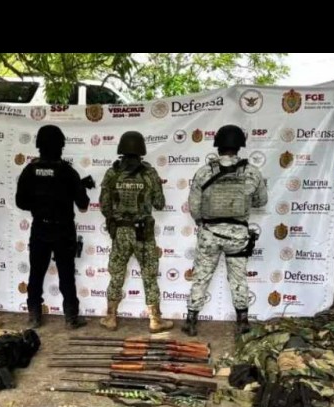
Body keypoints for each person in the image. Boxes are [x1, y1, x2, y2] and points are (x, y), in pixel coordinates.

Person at [182, 124, 268, 337]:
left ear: (218, 146)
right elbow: (261, 201)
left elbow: (194, 207)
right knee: (239, 278)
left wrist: (204, 222)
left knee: (201, 276)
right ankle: (243, 321)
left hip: (210, 234)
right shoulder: (252, 172)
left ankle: (191, 321)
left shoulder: (204, 172)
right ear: (240, 146)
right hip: (238, 235)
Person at [15, 124, 93, 329]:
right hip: (63, 230)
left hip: (40, 228)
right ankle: (71, 318)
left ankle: (34, 316)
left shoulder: (30, 170)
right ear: (61, 145)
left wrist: (39, 205)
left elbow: (20, 202)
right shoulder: (68, 172)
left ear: (38, 145)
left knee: (36, 273)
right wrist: (77, 190)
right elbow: (83, 206)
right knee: (66, 274)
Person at [99, 131, 172, 333]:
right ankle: (155, 320)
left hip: (121, 232)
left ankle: (110, 317)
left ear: (121, 149)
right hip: (143, 233)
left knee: (116, 275)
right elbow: (159, 204)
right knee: (149, 275)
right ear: (141, 150)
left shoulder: (112, 174)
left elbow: (104, 206)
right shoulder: (149, 173)